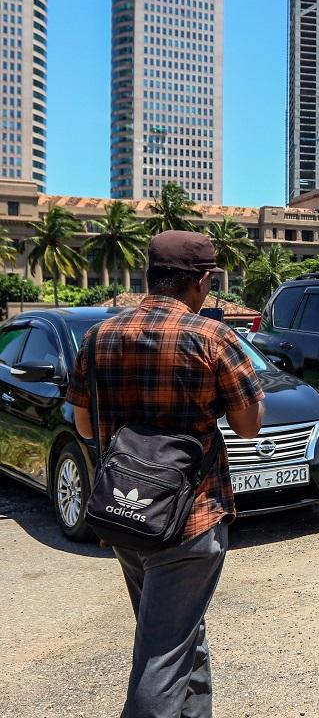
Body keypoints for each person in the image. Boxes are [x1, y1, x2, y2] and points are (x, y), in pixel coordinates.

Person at [67, 230, 265, 718]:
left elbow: (85, 423)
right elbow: (248, 425)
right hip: (191, 518)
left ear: (151, 277)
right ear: (201, 281)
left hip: (126, 513)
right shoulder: (214, 337)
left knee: (179, 636)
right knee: (162, 655)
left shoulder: (99, 336)